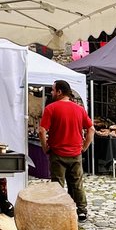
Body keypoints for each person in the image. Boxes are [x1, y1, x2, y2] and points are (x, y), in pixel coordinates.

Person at [38, 79, 94, 221]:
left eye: (52, 90)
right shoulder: (79, 109)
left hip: (57, 153)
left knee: (57, 184)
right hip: (75, 153)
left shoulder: (51, 108)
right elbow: (91, 129)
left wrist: (45, 147)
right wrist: (84, 147)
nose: (51, 93)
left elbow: (41, 130)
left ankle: (58, 211)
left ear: (59, 92)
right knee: (77, 184)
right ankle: (81, 210)